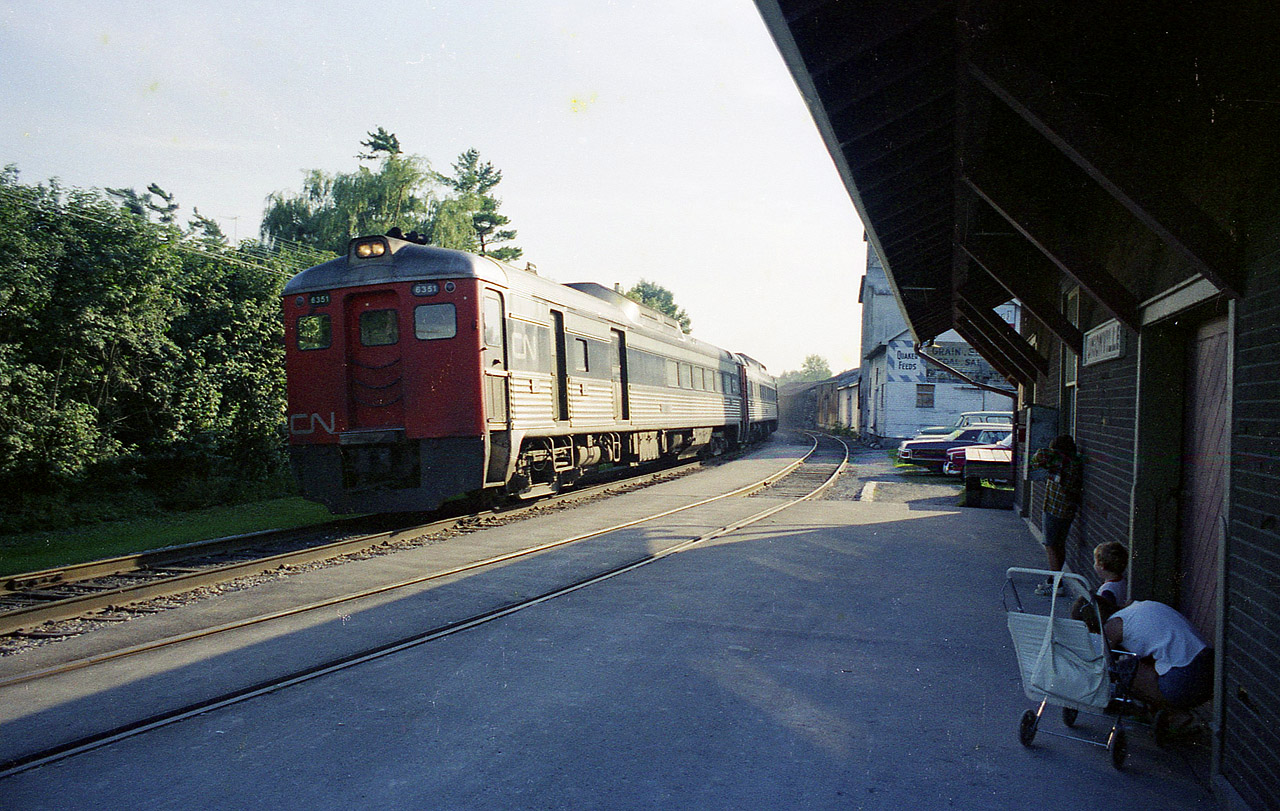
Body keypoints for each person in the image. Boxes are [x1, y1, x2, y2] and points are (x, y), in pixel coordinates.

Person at [1103, 600, 1214, 710]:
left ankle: (1176, 716)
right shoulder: (1138, 606)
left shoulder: (1113, 626)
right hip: (1210, 663)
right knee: (1146, 661)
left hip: (1186, 676)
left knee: (1123, 671)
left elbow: (1102, 665)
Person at [1030, 434, 1084, 595]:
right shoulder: (1073, 463)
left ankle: (1056, 583)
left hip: (1055, 508)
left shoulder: (1061, 463)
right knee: (1059, 544)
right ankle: (1054, 578)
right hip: (1066, 509)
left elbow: (1037, 458)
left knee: (1051, 545)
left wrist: (1052, 452)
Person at [1093, 541, 1128, 608]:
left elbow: (1107, 611)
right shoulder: (1123, 581)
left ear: (1101, 566)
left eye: (1095, 562)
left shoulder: (1107, 590)